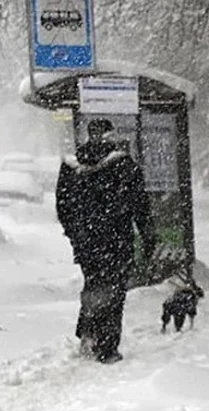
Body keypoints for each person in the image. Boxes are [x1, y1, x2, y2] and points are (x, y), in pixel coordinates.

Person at [56, 118, 156, 364]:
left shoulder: (71, 166)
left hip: (87, 242)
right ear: (110, 135)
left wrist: (75, 234)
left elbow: (62, 205)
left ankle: (88, 333)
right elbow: (140, 205)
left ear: (89, 135)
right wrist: (147, 236)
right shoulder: (124, 165)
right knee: (114, 291)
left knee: (93, 284)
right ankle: (107, 347)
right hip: (117, 240)